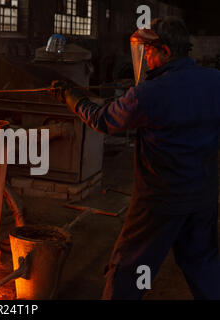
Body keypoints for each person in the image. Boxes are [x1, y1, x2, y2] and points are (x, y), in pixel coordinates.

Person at [51, 17, 220, 299]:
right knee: (203, 264)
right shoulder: (215, 81)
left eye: (149, 51)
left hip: (159, 201)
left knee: (130, 269)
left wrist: (72, 97)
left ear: (165, 51)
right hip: (203, 196)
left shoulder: (148, 94)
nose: (146, 58)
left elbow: (103, 120)